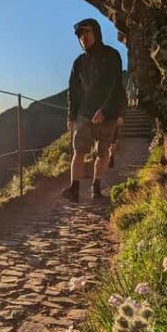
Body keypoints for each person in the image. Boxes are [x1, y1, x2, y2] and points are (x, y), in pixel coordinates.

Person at [63, 18, 126, 201]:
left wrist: (105, 111)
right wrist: (71, 115)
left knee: (103, 152)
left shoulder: (112, 55)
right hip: (84, 114)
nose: (83, 38)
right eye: (80, 35)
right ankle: (74, 189)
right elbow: (73, 90)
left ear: (96, 32)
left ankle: (96, 188)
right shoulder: (78, 63)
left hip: (108, 114)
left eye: (87, 32)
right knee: (79, 150)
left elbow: (116, 85)